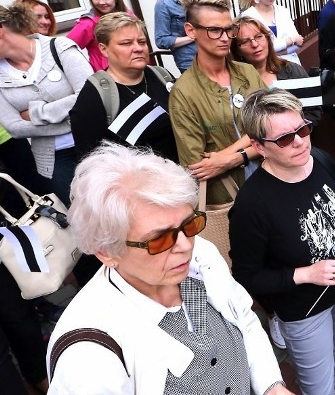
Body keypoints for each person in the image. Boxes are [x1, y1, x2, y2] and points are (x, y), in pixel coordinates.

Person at [46, 143, 293, 395]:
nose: (185, 245)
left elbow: (244, 318)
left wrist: (271, 386)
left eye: (189, 224)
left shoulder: (199, 256)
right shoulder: (87, 359)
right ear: (106, 252)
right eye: (159, 239)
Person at [229, 89, 335, 395]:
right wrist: (305, 274)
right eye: (284, 139)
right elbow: (246, 275)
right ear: (259, 146)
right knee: (316, 384)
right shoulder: (251, 205)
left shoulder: (320, 159)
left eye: (303, 129)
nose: (299, 141)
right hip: (304, 307)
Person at [169, 0, 266, 205]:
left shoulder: (247, 72)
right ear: (190, 30)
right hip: (229, 198)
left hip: (270, 180)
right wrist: (253, 141)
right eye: (214, 30)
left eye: (228, 29)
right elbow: (196, 166)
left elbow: (272, 129)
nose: (224, 38)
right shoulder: (184, 93)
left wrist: (229, 158)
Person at [0, 2, 92, 205]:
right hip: (54, 160)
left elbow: (89, 95)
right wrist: (70, 115)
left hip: (94, 144)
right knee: (82, 218)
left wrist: (35, 113)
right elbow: (14, 127)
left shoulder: (58, 48)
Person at [70, 12, 178, 162]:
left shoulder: (162, 76)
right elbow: (92, 163)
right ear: (103, 49)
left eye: (141, 42)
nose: (138, 48)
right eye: (126, 43)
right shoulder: (94, 97)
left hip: (182, 176)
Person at [231, 15, 321, 125]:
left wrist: (293, 130)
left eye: (259, 36)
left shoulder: (292, 70)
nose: (254, 44)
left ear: (267, 39)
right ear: (237, 50)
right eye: (245, 41)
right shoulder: (234, 81)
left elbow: (314, 111)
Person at [67, 0, 133, 71]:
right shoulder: (88, 23)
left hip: (133, 70)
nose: (101, 2)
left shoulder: (127, 15)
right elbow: (65, 49)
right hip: (108, 76)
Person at [154, 0, 212, 72]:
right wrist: (192, 37)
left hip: (210, 54)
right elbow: (161, 40)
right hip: (189, 61)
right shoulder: (164, 5)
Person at [238, 0, 304, 65]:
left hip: (292, 65)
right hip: (267, 68)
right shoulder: (248, 16)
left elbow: (299, 43)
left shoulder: (283, 11)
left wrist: (278, 51)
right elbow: (259, 48)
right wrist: (290, 40)